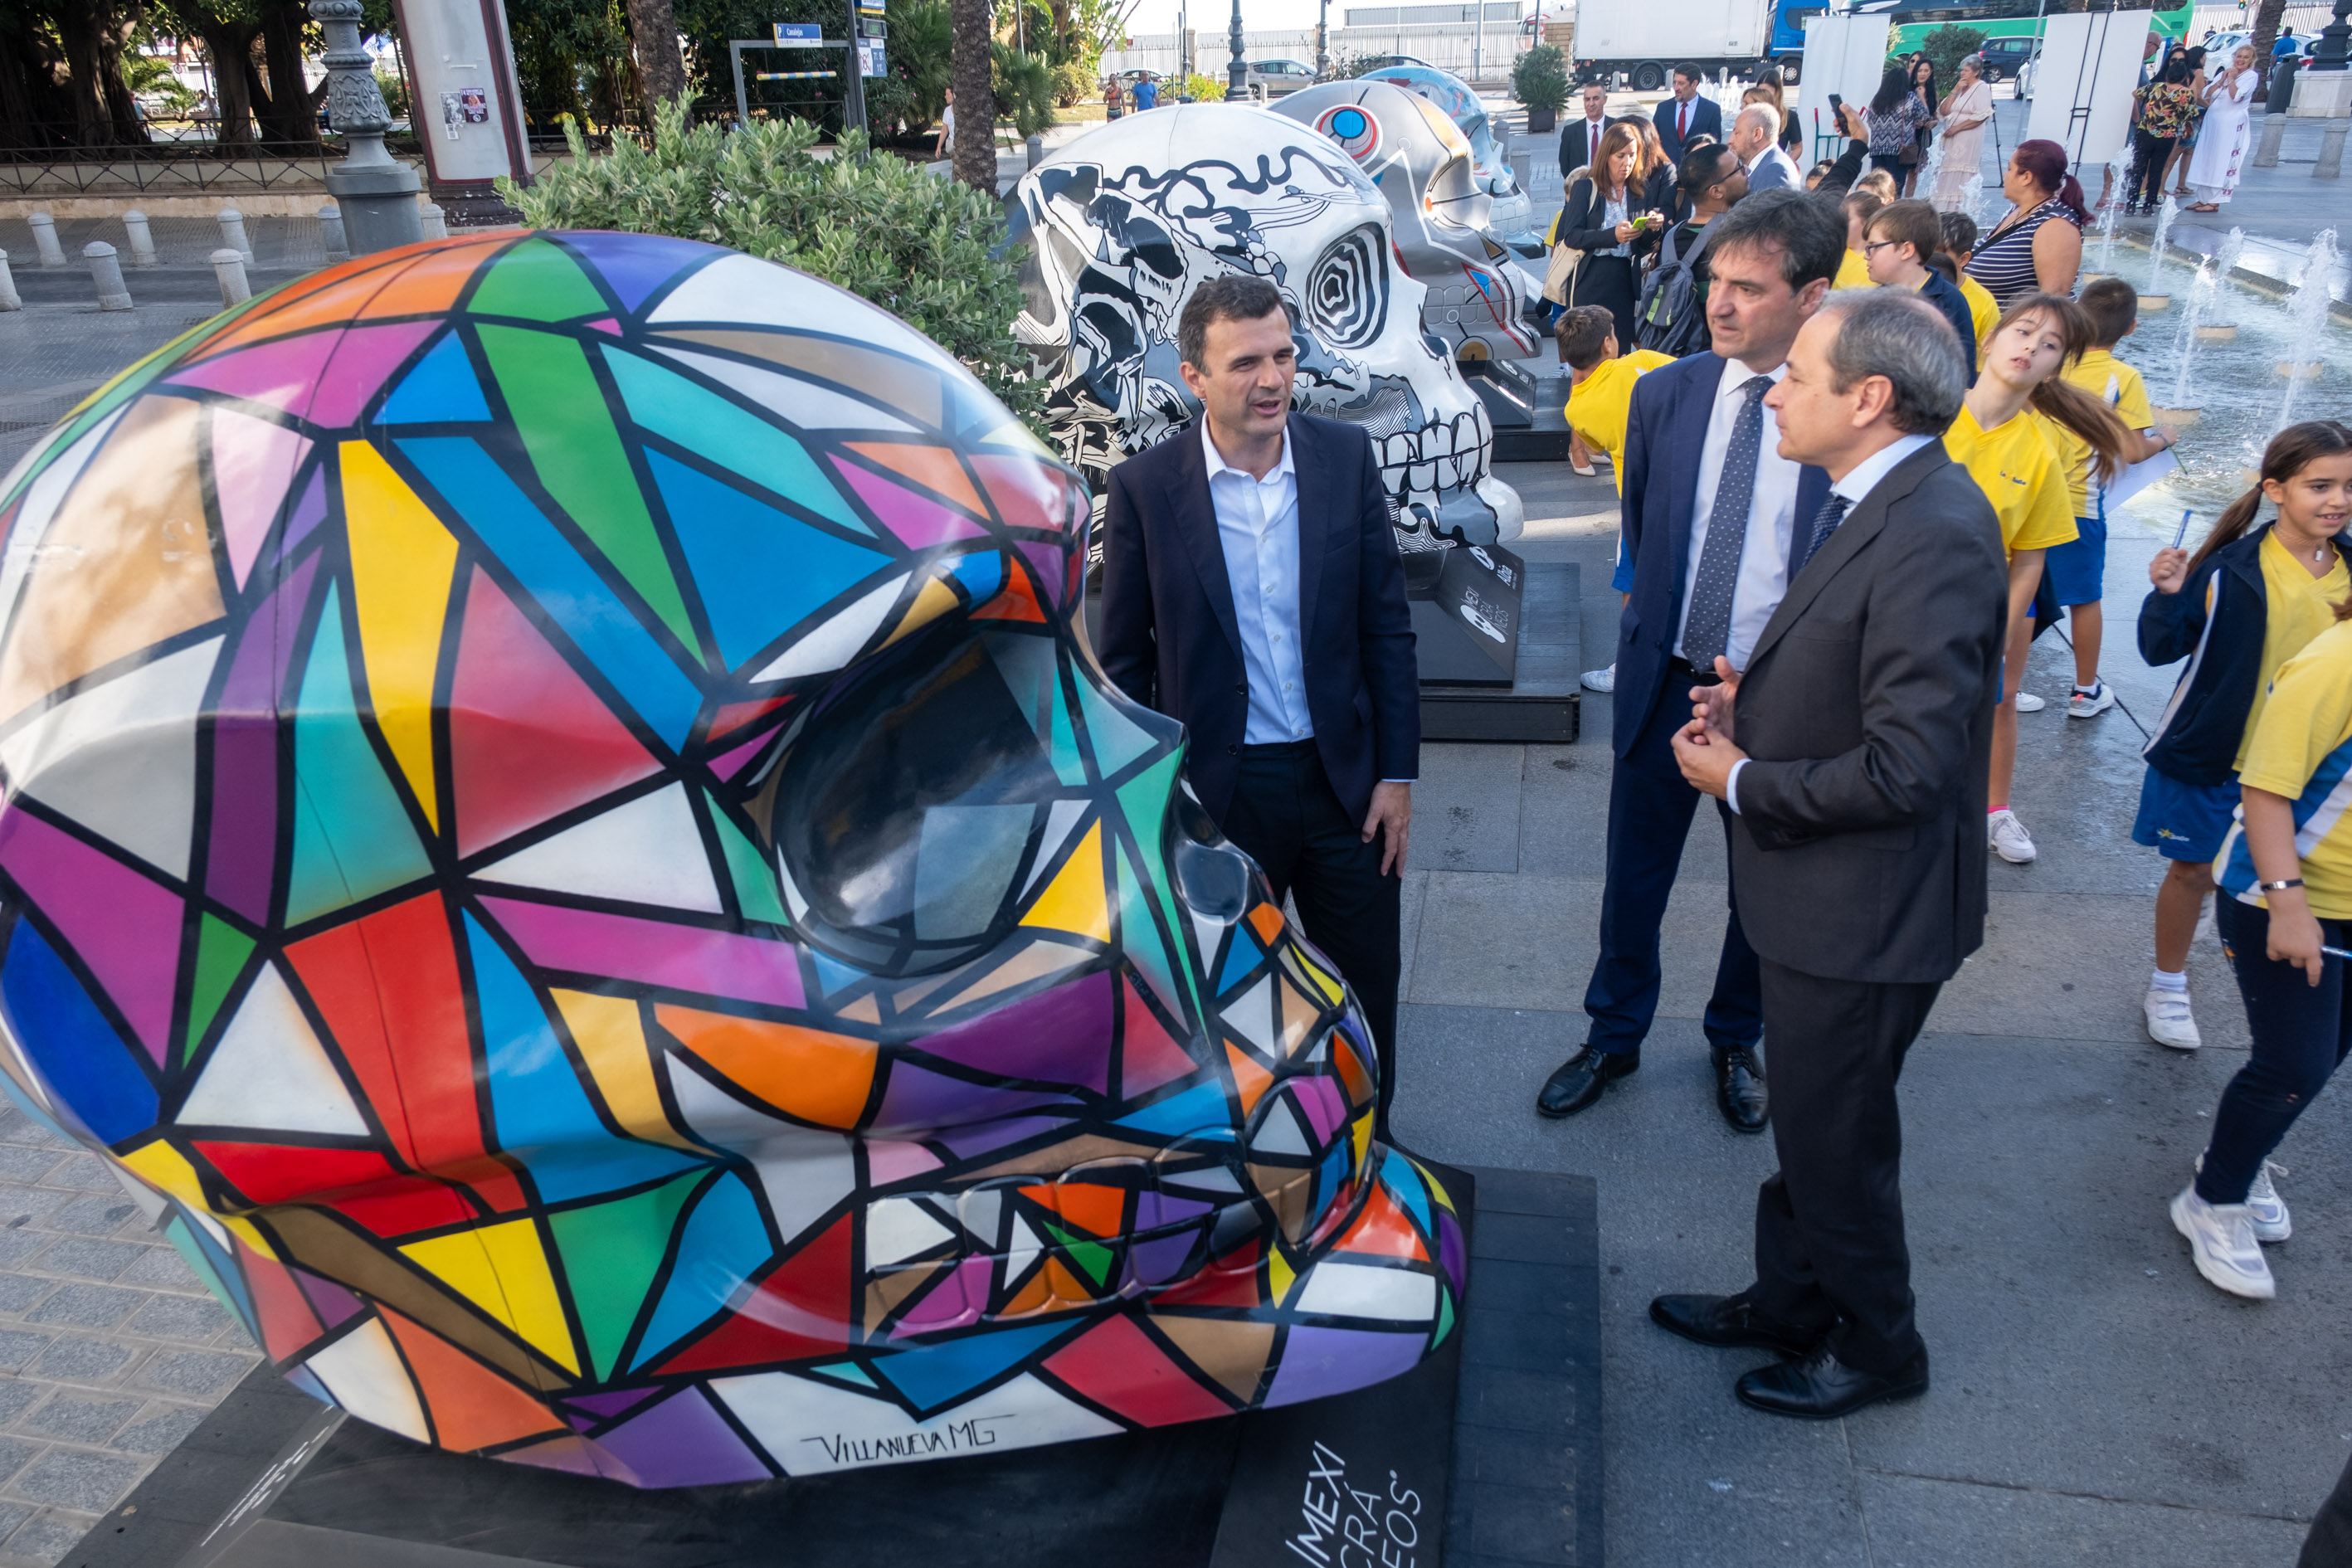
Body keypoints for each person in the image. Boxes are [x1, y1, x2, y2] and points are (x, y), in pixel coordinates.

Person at [1653, 289, 2005, 1420]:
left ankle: (1877, 1346)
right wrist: (1758, 699)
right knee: (1813, 1120)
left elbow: (1909, 767)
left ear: (1868, 397)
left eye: (1796, 375)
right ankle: (1788, 1301)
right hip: (1825, 906)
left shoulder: (1933, 530)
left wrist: (1740, 780)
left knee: (1837, 1138)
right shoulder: (1880, 496)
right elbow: (1859, 674)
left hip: (1866, 917)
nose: (1772, 392)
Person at [1535, 191, 1843, 1132]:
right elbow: (1647, 531)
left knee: (1762, 884)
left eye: (1748, 287)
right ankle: (1613, 1035)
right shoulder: (1666, 393)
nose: (1719, 303)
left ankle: (1733, 1038)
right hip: (1665, 677)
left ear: (1814, 296)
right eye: (1715, 281)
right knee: (1635, 874)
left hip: (1780, 699)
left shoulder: (1842, 410)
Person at [1097, 275, 1418, 1129]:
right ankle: (1262, 1160)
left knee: (1365, 985)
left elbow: (1387, 628)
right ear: (1193, 376)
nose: (1273, 378)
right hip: (1219, 797)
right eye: (1246, 363)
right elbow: (1124, 664)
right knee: (1231, 996)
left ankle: (1372, 1142)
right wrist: (1152, 809)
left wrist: (1397, 776)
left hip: (1345, 784)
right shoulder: (1142, 491)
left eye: (1283, 354)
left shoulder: (1342, 460)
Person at [2175, 429, 2352, 1301]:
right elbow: (2268, 790)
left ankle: (2242, 1156)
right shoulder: (2335, 664)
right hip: (2291, 892)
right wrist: (2288, 903)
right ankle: (2213, 1200)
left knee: (2321, 1057)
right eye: (2321, 484)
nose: (2339, 500)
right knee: (2293, 1064)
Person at [2133, 423, 2352, 1054]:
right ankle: (2167, 981)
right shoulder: (2227, 567)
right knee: (2192, 871)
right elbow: (2157, 650)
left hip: (2307, 772)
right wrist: (2165, 595)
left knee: (2298, 878)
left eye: (2346, 486)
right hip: (2216, 757)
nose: (2336, 499)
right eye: (2319, 486)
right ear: (2275, 489)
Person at [1945, 295, 2127, 867]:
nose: (2030, 347)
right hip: (1909, 590)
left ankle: (1994, 811)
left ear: (2059, 365)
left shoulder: (2038, 449)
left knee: (1996, 702)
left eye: (2049, 345)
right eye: (2023, 331)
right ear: (1989, 341)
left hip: (1993, 599)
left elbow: (2030, 557)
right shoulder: (1930, 412)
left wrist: (2001, 626)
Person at [2042, 278, 2175, 718]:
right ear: (2131, 328)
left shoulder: (2050, 361)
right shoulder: (2122, 377)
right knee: (2085, 598)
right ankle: (2084, 691)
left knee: (2021, 590)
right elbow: (2134, 451)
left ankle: (2001, 672)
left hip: (2028, 495)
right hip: (2079, 504)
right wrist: (2164, 440)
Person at [1561, 304, 1677, 694]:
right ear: (1609, 344)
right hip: (1690, 487)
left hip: (1640, 503)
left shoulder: (1576, 409)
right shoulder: (1643, 361)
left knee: (1634, 585)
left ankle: (1628, 666)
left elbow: (1595, 445)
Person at [1556, 123, 1662, 356]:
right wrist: (1611, 235)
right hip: (1590, 276)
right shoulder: (1585, 188)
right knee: (1587, 351)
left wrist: (1652, 229)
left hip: (1623, 280)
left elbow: (1642, 247)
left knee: (1618, 349)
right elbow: (1572, 236)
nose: (1627, 163)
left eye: (1633, 156)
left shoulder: (1640, 190)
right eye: (1620, 156)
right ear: (1606, 156)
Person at [1639, 142, 1747, 358]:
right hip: (1724, 356)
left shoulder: (1671, 238)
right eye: (1739, 168)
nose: (1746, 172)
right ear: (1716, 191)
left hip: (1678, 354)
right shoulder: (1739, 237)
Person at [1862, 199, 1977, 379]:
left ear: (1906, 250)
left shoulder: (1949, 301)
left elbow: (1963, 374)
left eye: (1873, 247)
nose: (1865, 256)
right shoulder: (1876, 299)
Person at [1965, 139, 2087, 309]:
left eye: (2009, 169)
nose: (2005, 176)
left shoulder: (2056, 225)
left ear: (2026, 177)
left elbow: (2054, 299)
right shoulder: (2018, 211)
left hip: (2013, 331)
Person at [2185, 43, 2259, 211]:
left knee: (2222, 159)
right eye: (2239, 56)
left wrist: (2231, 80)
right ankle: (2203, 198)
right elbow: (2206, 93)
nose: (2240, 60)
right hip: (2213, 122)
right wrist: (2222, 80)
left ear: (2251, 60)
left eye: (2245, 57)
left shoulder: (2250, 76)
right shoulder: (2224, 73)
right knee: (2207, 157)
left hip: (2231, 124)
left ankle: (2215, 200)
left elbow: (2237, 97)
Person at [2129, 54, 2196, 214]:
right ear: (2184, 76)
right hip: (2167, 136)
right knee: (2157, 169)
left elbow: (2135, 93)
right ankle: (2148, 206)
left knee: (2139, 167)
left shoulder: (2154, 87)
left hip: (2145, 132)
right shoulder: (2187, 94)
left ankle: (2130, 204)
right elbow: (2189, 116)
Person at [1933, 56, 1995, 212]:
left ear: (1976, 72)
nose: (1962, 73)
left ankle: (1957, 210)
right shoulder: (1960, 89)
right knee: (1946, 171)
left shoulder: (1981, 88)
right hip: (1950, 138)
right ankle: (1943, 208)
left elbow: (1982, 116)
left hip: (1967, 137)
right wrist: (1954, 91)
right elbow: (1943, 111)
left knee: (1960, 172)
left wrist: (1957, 128)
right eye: (1962, 70)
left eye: (1966, 70)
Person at [1864, 64, 1932, 187]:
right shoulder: (1910, 98)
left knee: (1876, 187)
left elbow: (1870, 121)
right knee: (1894, 188)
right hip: (1899, 151)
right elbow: (1925, 117)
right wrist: (1921, 97)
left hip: (1877, 150)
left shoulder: (1877, 100)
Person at [1939, 212, 1999, 345]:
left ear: (1963, 259)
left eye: (1940, 254)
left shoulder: (1984, 304)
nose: (1929, 260)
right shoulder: (1908, 285)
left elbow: (1984, 362)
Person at [1656, 63, 1724, 166]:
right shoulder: (1663, 108)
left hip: (1696, 172)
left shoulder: (1711, 110)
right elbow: (1653, 140)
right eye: (1674, 82)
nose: (1675, 87)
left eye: (1681, 83)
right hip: (1666, 173)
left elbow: (1714, 146)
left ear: (1694, 84)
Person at [1558, 80, 1621, 185]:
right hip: (1580, 189)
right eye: (1587, 99)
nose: (1591, 104)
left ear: (1605, 99)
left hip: (1610, 187)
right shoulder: (1570, 132)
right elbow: (1565, 166)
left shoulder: (1617, 128)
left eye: (1596, 98)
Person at [2165, 45, 2208, 198]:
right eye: (2205, 57)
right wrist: (2209, 106)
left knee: (2184, 151)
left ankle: (2177, 185)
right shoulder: (2198, 72)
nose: (2206, 60)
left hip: (2183, 115)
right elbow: (2197, 96)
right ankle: (2175, 185)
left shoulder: (2183, 71)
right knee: (2182, 151)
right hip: (2191, 116)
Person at [1731, 103, 1801, 192]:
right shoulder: (1769, 164)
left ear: (1757, 134)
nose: (1731, 140)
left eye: (1737, 133)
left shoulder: (1775, 170)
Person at [1902, 56, 1939, 197]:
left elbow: (1933, 116)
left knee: (1914, 172)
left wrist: (1934, 122)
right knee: (1902, 169)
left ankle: (1907, 201)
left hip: (1922, 136)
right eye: (1920, 71)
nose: (1922, 74)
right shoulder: (1907, 90)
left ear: (1931, 73)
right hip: (1907, 134)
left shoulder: (1932, 93)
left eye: (1926, 71)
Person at [1834, 190, 1881, 290]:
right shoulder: (1831, 249)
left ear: (1867, 223)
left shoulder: (1875, 265)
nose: (1839, 222)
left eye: (1846, 218)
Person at [933, 86, 956, 159]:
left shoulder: (963, 111)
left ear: (954, 95)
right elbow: (944, 130)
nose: (945, 97)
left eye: (947, 94)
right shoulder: (947, 111)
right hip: (953, 146)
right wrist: (939, 147)